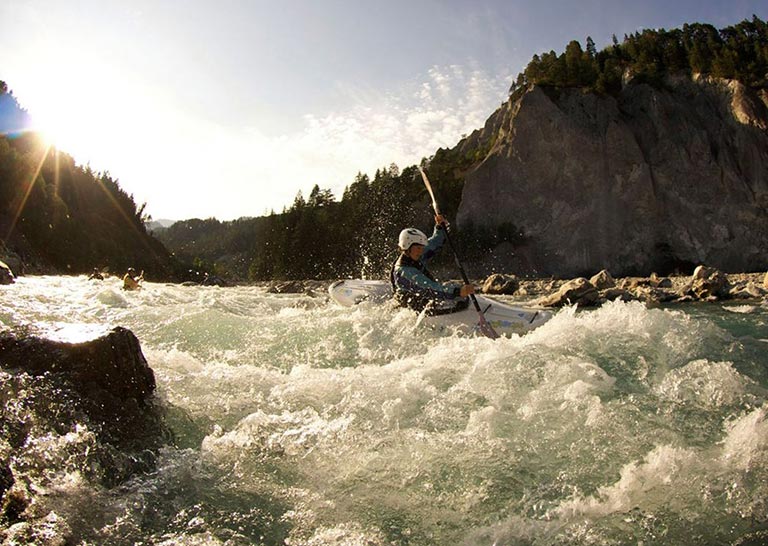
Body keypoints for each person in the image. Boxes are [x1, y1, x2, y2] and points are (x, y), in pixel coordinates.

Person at [390, 214, 474, 315]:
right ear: (406, 247)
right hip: (414, 309)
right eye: (418, 248)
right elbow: (431, 289)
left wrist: (440, 227)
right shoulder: (405, 272)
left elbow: (434, 243)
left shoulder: (414, 254)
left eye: (421, 248)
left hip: (424, 298)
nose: (421, 251)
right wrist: (457, 291)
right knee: (457, 297)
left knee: (458, 296)